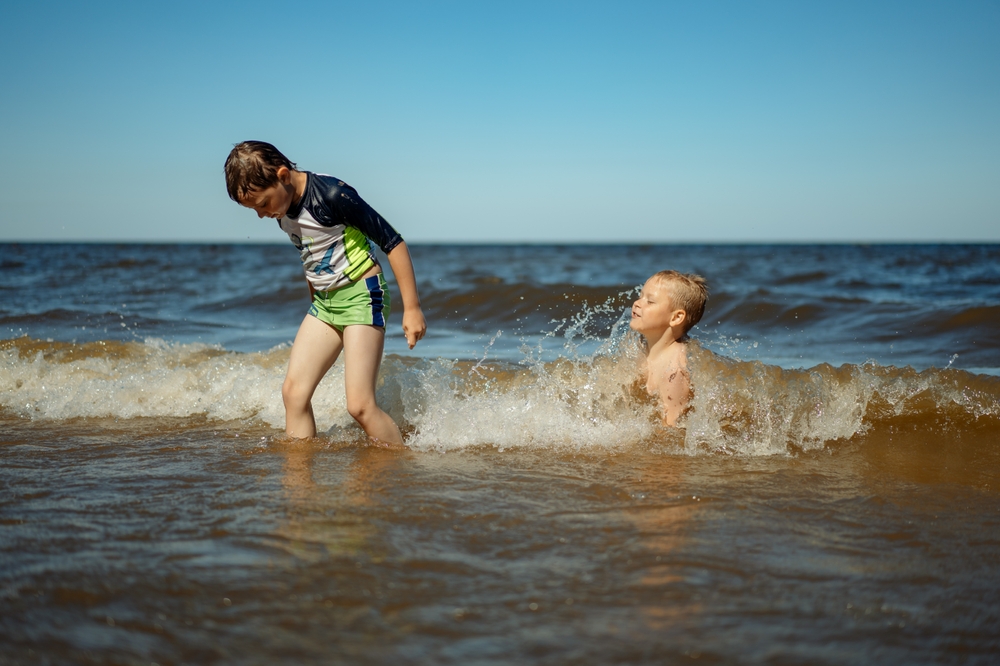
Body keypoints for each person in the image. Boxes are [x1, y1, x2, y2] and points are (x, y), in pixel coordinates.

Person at [224, 141, 426, 446]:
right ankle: (299, 475)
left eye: (263, 204)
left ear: (283, 176)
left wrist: (412, 308)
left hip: (362, 295)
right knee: (293, 394)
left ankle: (397, 468)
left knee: (359, 406)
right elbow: (313, 258)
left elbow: (393, 242)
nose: (262, 215)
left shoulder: (332, 195)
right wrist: (315, 306)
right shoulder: (282, 209)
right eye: (255, 209)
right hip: (324, 305)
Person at [629, 270, 709, 426]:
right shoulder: (641, 345)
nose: (637, 303)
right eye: (640, 296)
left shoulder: (675, 371)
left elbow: (673, 429)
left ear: (676, 318)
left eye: (650, 301)